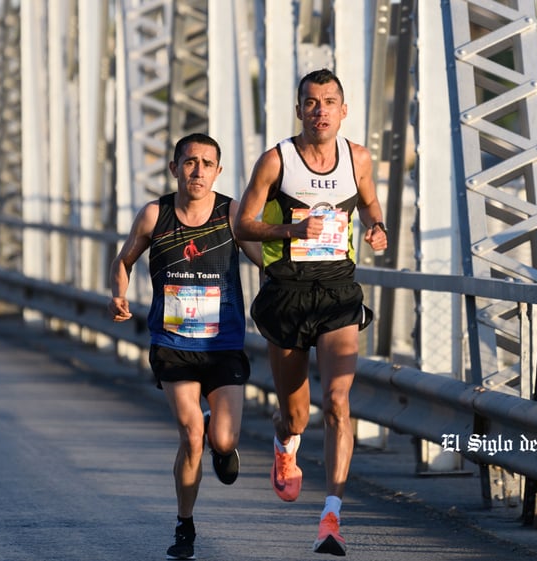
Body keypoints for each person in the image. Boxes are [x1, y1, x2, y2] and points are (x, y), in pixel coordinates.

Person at [234, 68, 388, 556]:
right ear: (299, 110)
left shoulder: (357, 158)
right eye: (311, 102)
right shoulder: (275, 161)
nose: (320, 110)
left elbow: (369, 204)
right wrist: (288, 236)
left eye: (329, 101)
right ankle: (286, 443)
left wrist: (377, 227)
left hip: (338, 290)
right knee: (297, 415)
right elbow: (243, 225)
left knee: (338, 401)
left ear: (344, 111)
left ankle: (332, 516)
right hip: (288, 294)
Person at [108, 133, 262, 560]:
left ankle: (221, 439)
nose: (197, 170)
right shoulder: (155, 214)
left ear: (218, 171)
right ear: (175, 168)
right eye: (189, 162)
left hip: (223, 343)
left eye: (206, 163)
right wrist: (118, 293)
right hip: (172, 343)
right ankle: (185, 525)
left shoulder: (231, 213)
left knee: (225, 440)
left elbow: (263, 260)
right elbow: (124, 260)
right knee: (192, 436)